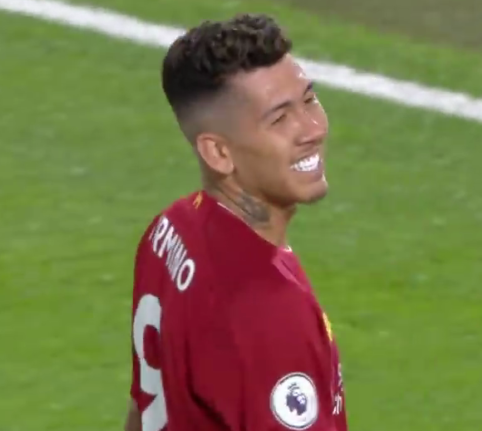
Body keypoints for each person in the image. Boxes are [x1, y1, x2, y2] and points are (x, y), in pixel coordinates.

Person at [124, 13, 347, 431]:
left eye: (309, 100)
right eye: (279, 119)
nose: (313, 129)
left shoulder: (171, 228)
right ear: (219, 153)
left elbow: (143, 408)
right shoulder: (269, 316)